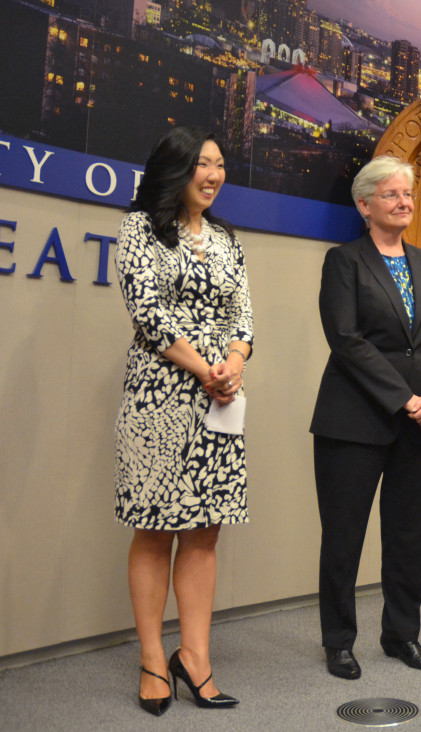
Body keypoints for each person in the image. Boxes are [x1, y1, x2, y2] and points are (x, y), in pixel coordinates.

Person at [114, 126, 253, 715]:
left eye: (220, 164)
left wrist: (234, 363)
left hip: (219, 402)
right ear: (175, 169)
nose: (214, 174)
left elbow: (244, 315)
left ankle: (194, 657)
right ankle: (153, 659)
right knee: (155, 529)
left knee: (204, 530)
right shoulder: (139, 228)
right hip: (158, 398)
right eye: (203, 163)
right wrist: (204, 368)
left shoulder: (226, 239)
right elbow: (147, 312)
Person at [310, 155, 421, 680]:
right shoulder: (343, 261)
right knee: (344, 536)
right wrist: (404, 398)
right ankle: (338, 642)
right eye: (391, 194)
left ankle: (401, 635)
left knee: (409, 536)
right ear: (364, 204)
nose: (404, 202)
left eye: (408, 193)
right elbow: (346, 340)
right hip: (354, 419)